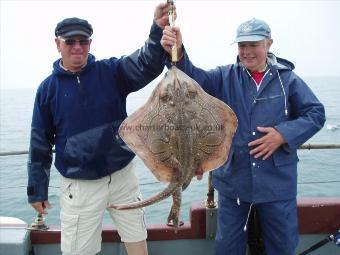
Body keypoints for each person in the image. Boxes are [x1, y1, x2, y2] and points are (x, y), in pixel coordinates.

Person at [161, 18, 325, 255]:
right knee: (228, 246)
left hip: (277, 182)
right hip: (233, 181)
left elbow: (316, 113)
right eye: (241, 46)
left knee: (282, 245)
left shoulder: (288, 80)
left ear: (268, 43)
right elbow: (194, 79)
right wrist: (178, 51)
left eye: (253, 44)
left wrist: (283, 134)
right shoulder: (225, 76)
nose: (246, 52)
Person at [26, 3, 173, 255]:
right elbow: (40, 143)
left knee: (137, 239)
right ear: (57, 44)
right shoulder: (47, 90)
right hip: (79, 186)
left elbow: (146, 63)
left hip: (122, 176)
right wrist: (37, 189)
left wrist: (157, 29)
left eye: (83, 41)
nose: (77, 47)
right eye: (70, 41)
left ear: (90, 43)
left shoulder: (111, 72)